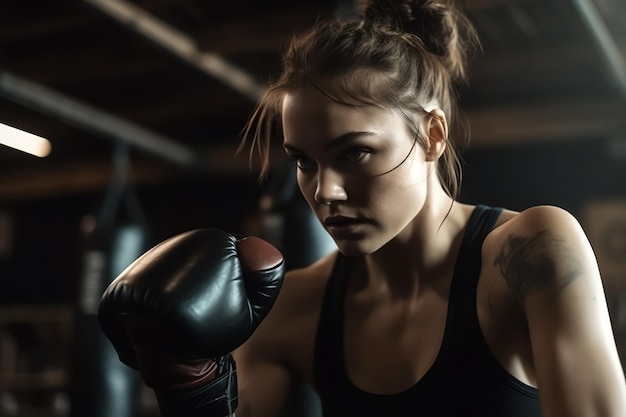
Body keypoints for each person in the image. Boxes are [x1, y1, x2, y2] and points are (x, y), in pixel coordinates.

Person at [98, 0, 626, 416]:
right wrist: (191, 392)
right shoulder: (293, 311)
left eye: (356, 153)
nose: (325, 192)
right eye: (304, 162)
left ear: (432, 135)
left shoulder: (530, 254)